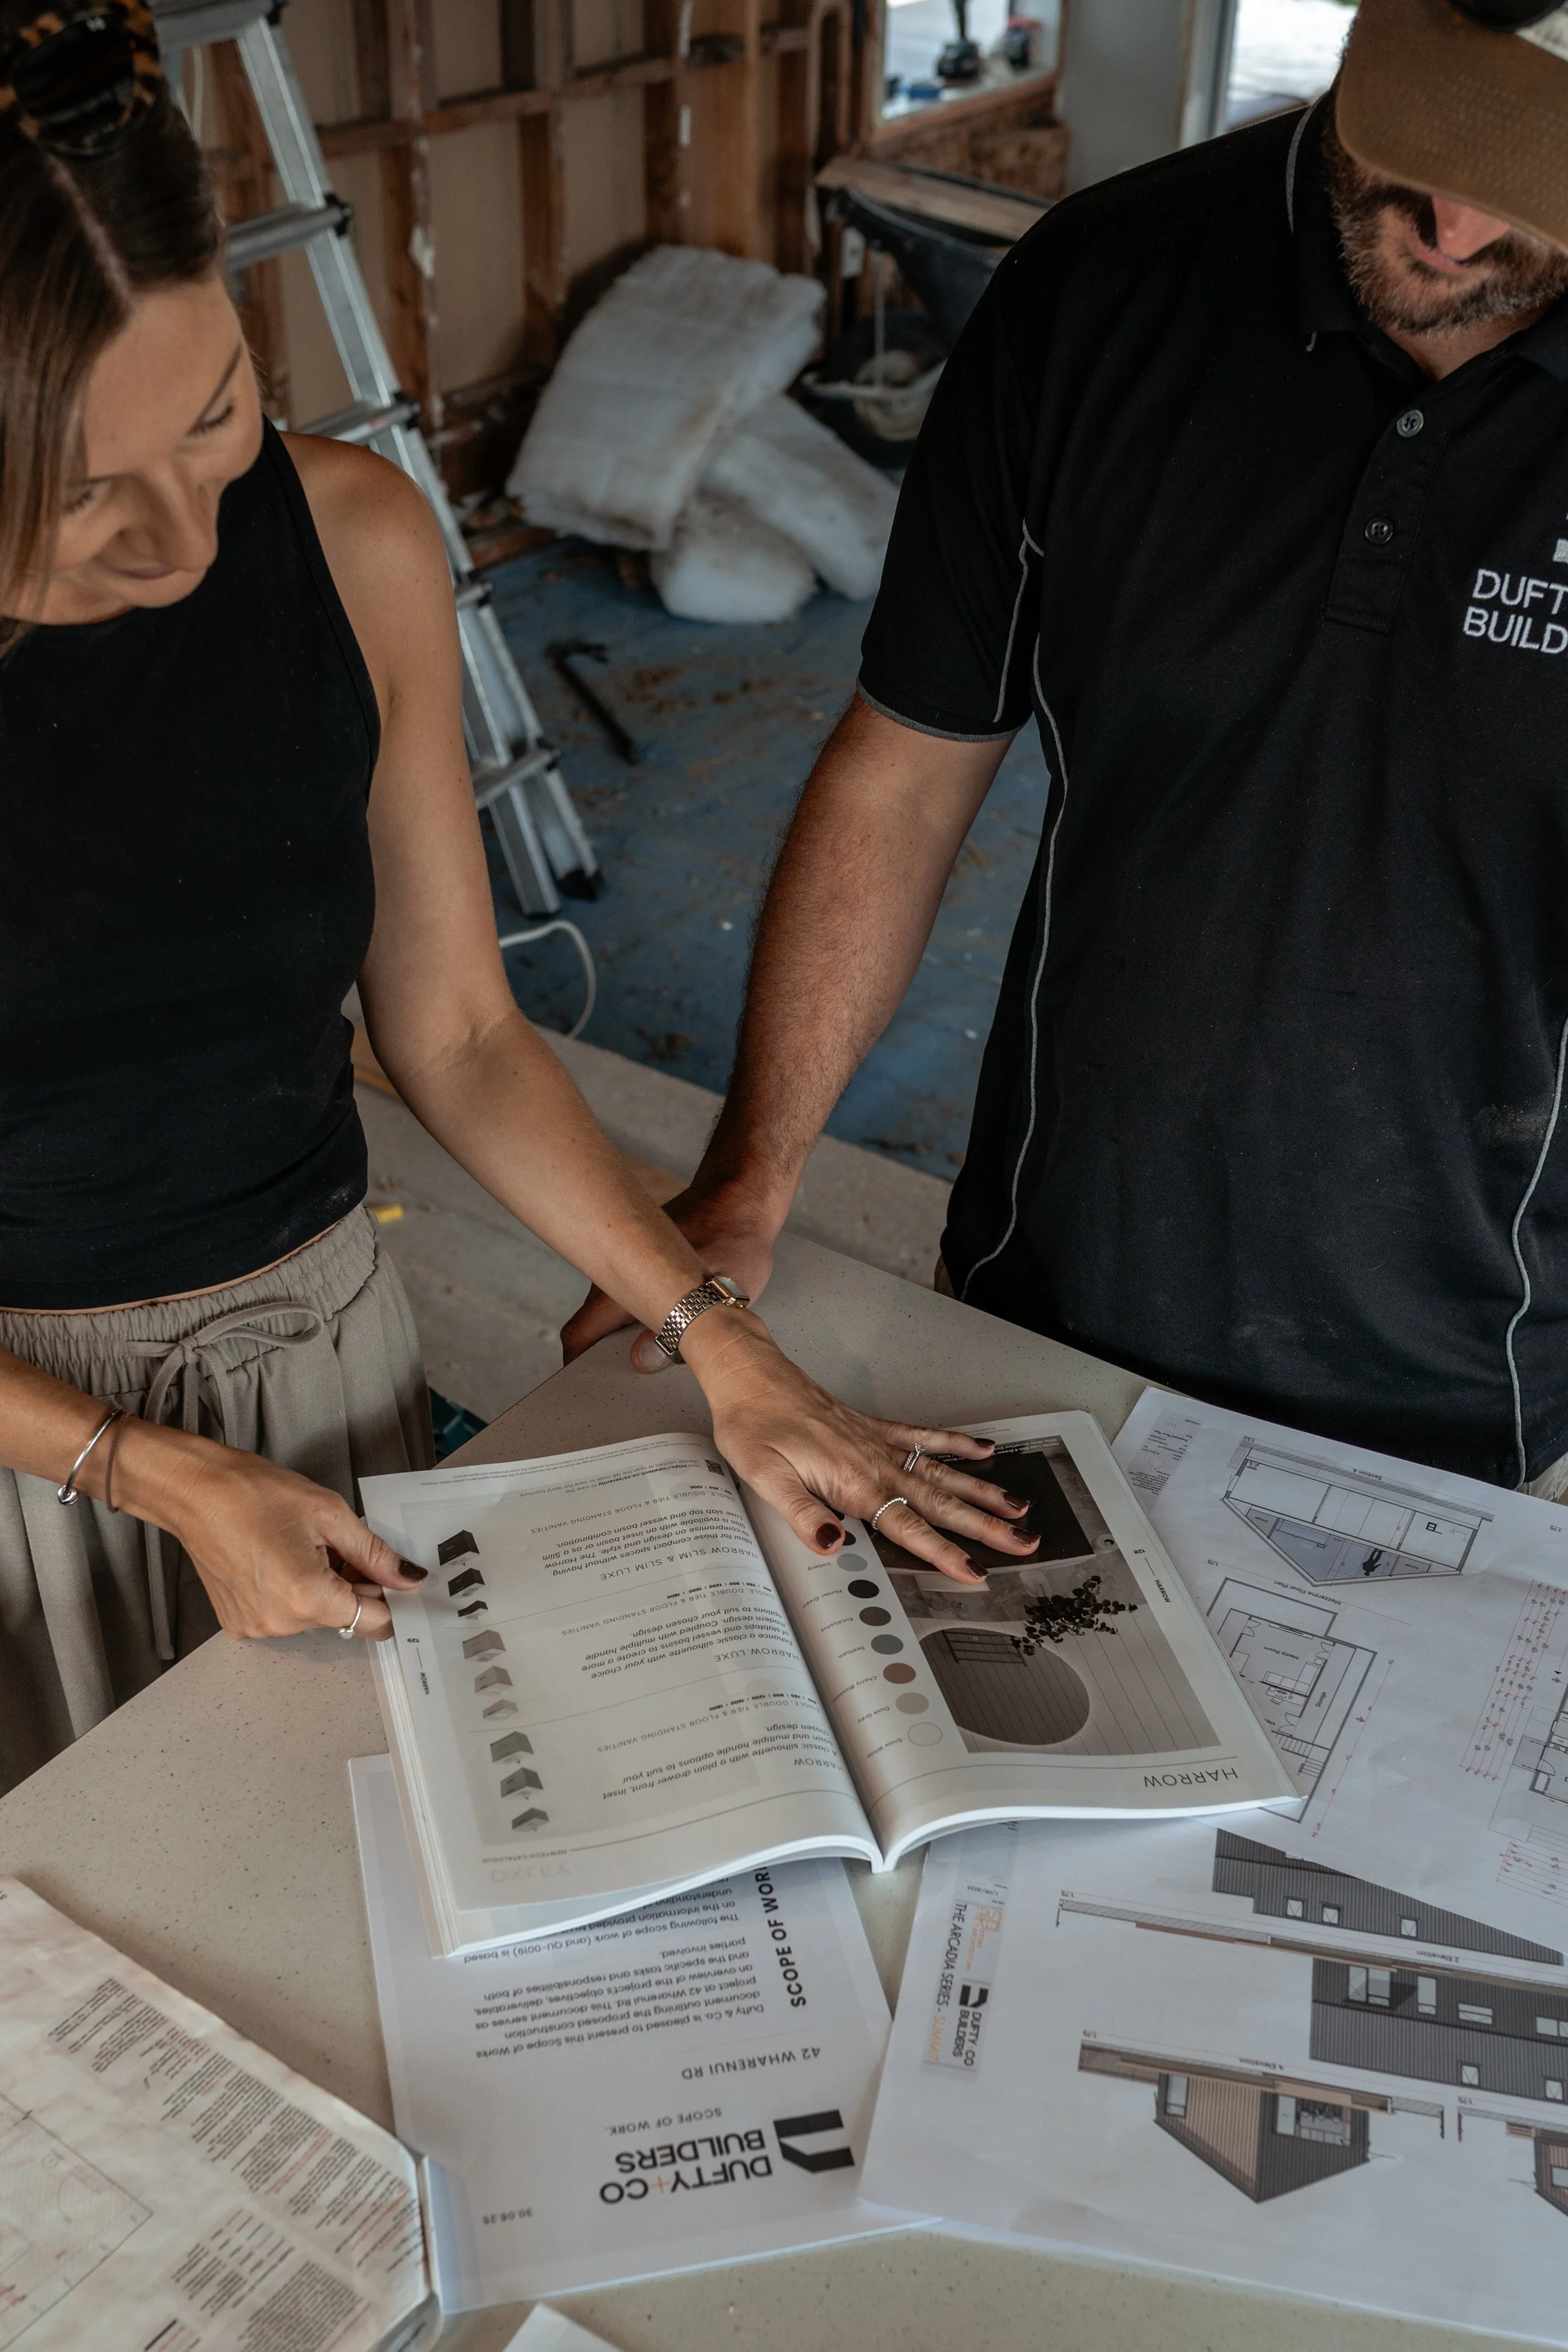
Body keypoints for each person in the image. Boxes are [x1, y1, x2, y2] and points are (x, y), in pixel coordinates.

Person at [0, 0, 1039, 1796]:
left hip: (321, 1336)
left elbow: (461, 1030)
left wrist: (720, 1336)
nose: (181, 546)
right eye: (86, 498)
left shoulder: (352, 540)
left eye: (219, 419)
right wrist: (143, 1468)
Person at [566, 0, 1568, 1497]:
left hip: (1465, 1353)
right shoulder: (1103, 288)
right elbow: (905, 774)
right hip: (1052, 1278)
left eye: (1530, 180)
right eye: (1414, 144)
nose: (1451, 218)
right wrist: (749, 1176)